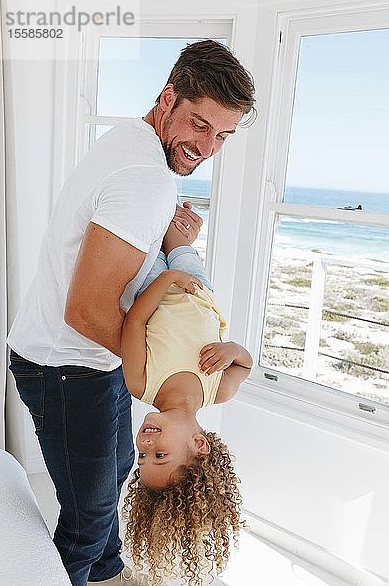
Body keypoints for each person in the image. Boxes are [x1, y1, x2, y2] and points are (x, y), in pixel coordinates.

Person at [7, 39, 255, 586]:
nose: (206, 146)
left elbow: (127, 281)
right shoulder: (147, 178)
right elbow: (87, 312)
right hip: (69, 366)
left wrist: (173, 250)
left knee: (120, 471)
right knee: (89, 522)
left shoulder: (131, 138)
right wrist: (163, 366)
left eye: (222, 135)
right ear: (167, 99)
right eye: (198, 123)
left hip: (93, 362)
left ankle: (109, 575)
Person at [121, 222, 253, 586]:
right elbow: (246, 364)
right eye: (159, 455)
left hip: (152, 286)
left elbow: (133, 323)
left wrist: (165, 281)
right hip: (198, 287)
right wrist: (232, 350)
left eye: (143, 457)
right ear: (198, 444)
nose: (145, 447)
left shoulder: (139, 383)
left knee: (147, 227)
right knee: (175, 228)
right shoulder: (219, 391)